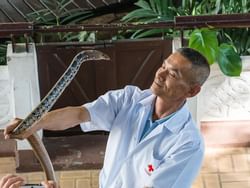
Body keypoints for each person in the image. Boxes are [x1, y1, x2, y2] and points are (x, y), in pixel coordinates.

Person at [4, 47, 210, 188]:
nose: (160, 74)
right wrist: (33, 124)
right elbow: (78, 114)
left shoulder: (188, 144)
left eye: (173, 74)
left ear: (192, 91)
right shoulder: (128, 99)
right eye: (163, 66)